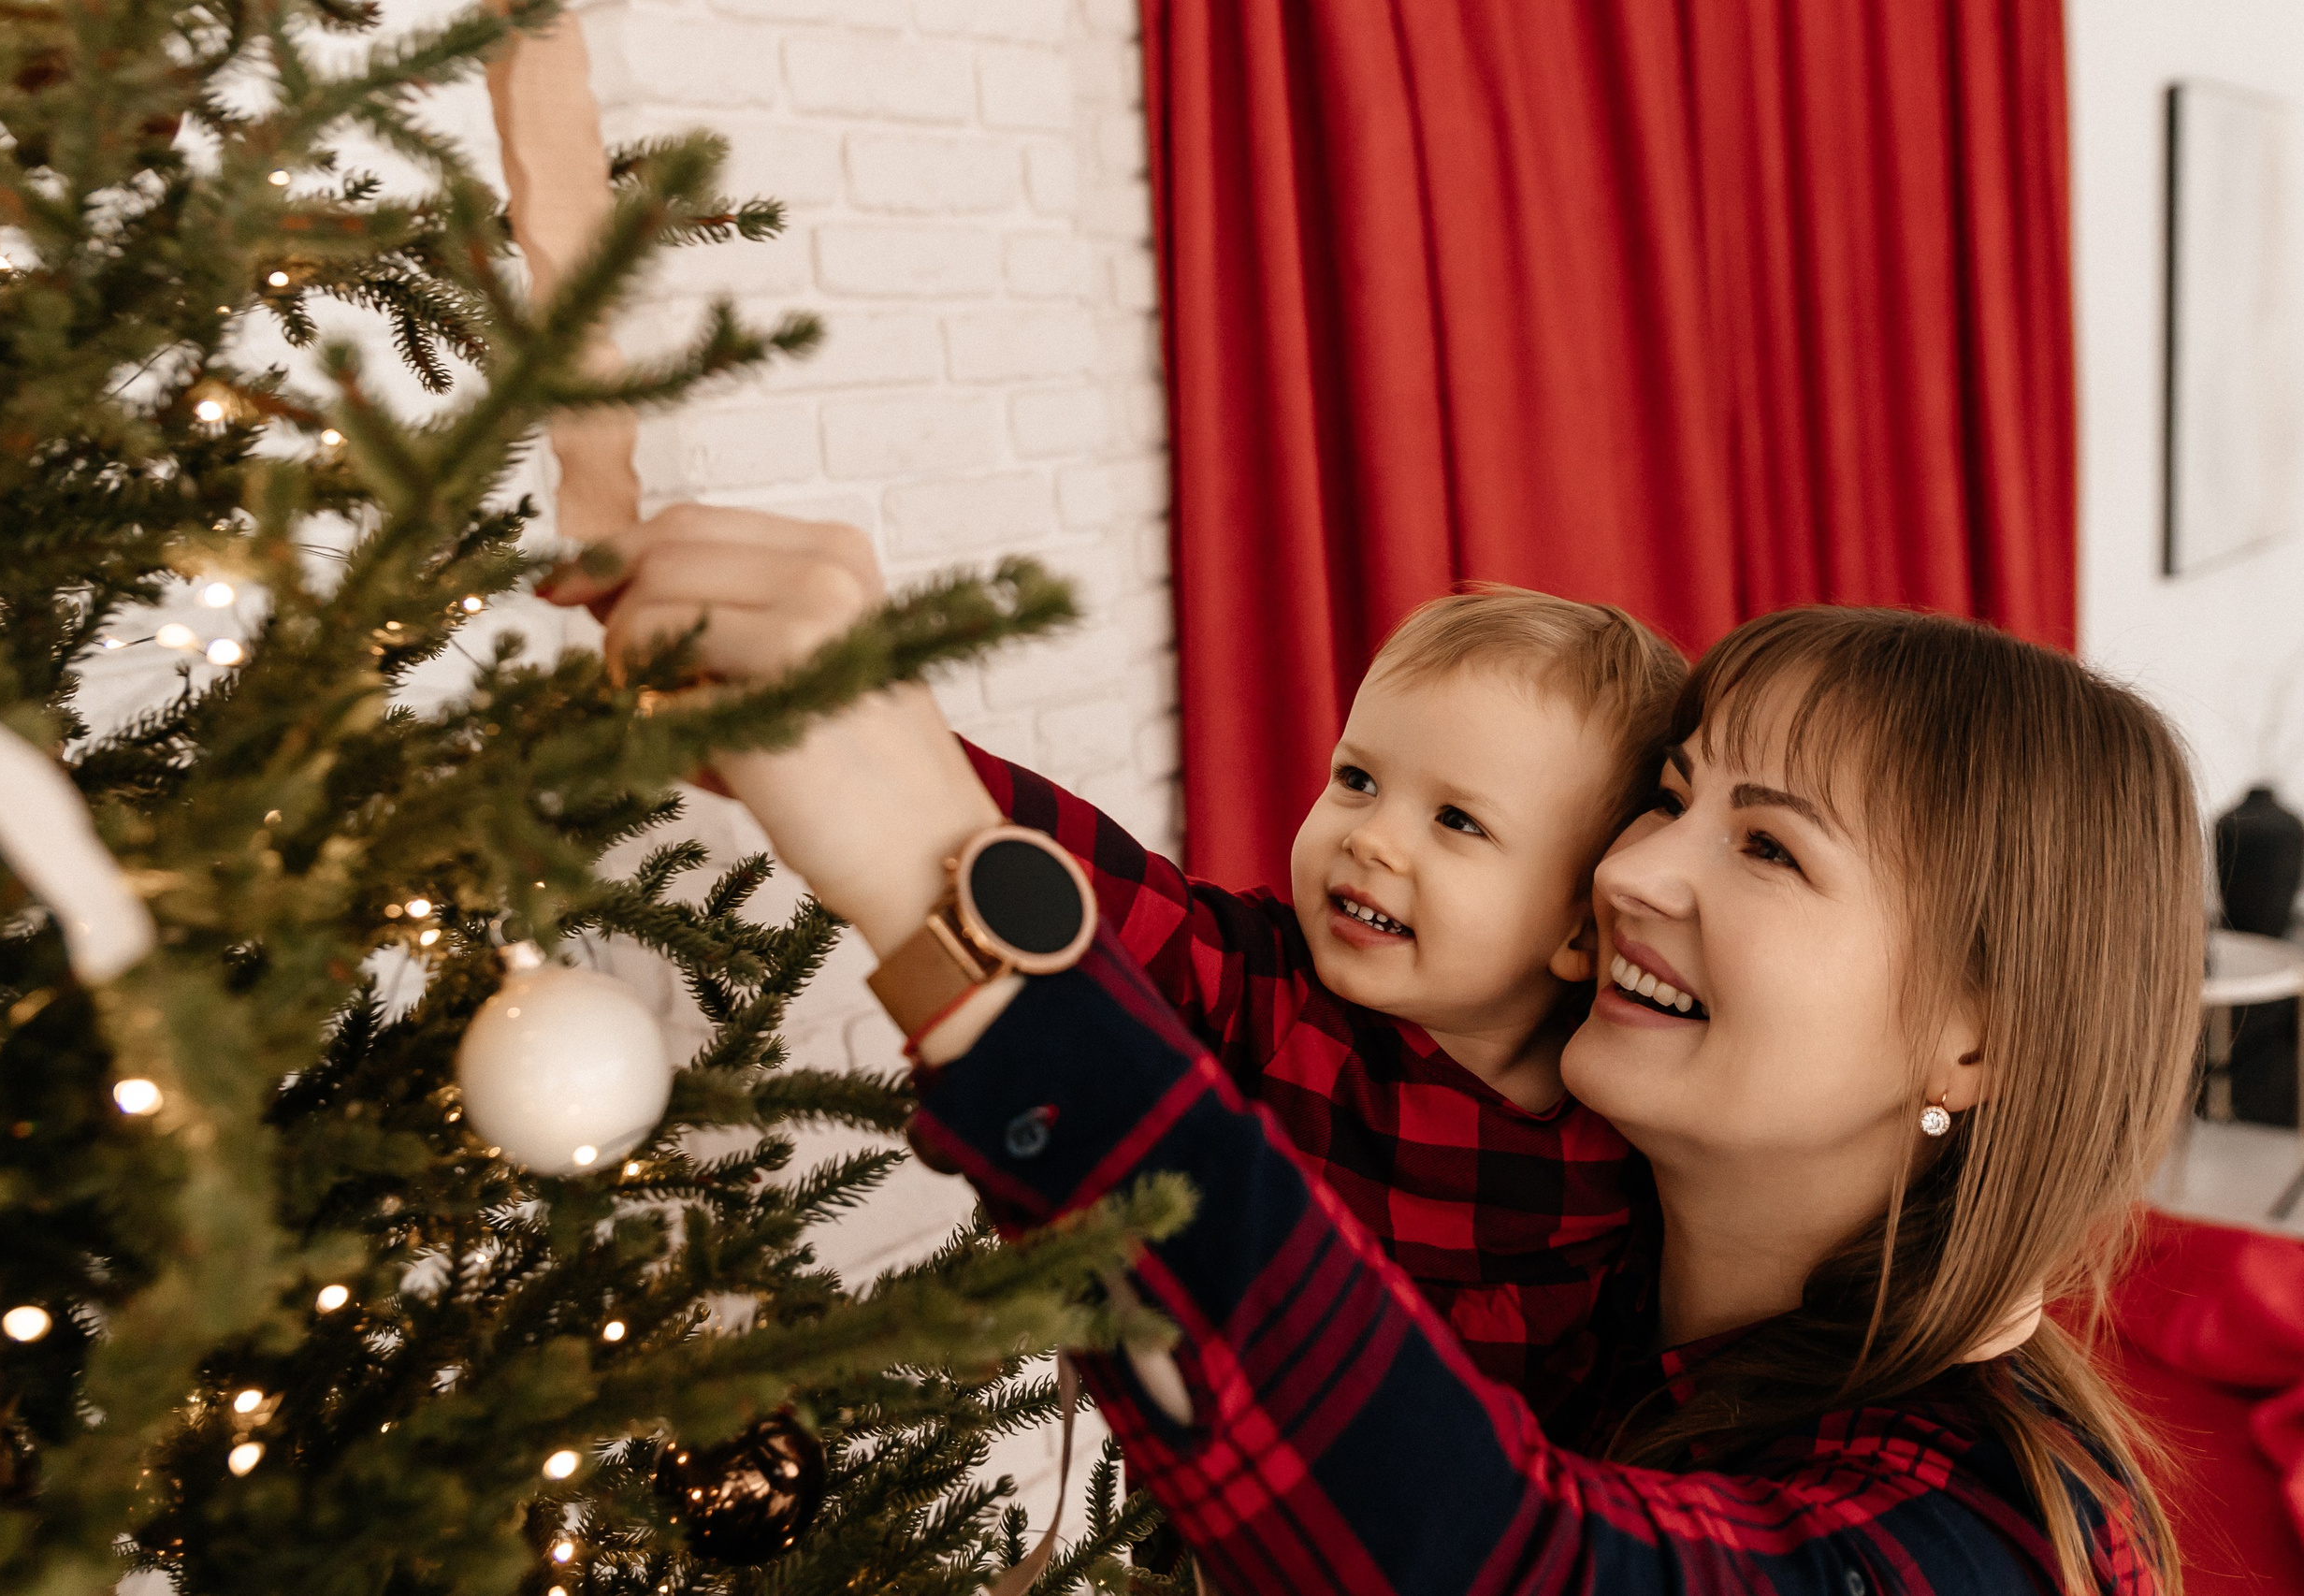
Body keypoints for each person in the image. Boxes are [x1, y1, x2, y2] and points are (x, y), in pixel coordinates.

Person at [546, 507, 2191, 1595]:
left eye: (1767, 849)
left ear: (1979, 1036)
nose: (1628, 873)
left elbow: (1510, 1561)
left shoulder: (1984, 1535)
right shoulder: (1580, 1251)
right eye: (1669, 798)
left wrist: (952, 902)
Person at [946, 586, 1685, 1415]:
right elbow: (1106, 885)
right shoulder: (1267, 987)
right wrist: (903, 755)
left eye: (1458, 821)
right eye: (1358, 778)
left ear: (1582, 933)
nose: (1369, 836)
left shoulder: (1628, 1123)